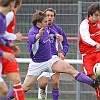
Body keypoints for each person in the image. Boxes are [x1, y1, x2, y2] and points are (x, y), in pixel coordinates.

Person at [7, 10, 100, 100]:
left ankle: (93, 83)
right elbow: (31, 39)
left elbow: (50, 29)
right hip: (37, 64)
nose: (47, 22)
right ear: (38, 23)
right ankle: (5, 98)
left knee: (70, 69)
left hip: (50, 60)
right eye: (45, 21)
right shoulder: (33, 31)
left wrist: (56, 34)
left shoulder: (46, 27)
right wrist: (38, 36)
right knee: (25, 87)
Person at [37, 8, 69, 100]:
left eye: (51, 16)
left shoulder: (58, 29)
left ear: (54, 18)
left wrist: (63, 52)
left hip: (54, 59)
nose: (49, 17)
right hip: (42, 59)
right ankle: (42, 90)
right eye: (47, 15)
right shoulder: (39, 28)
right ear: (44, 17)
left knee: (55, 82)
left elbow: (65, 43)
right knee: (43, 83)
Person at [0, 0, 25, 100]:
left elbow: (2, 35)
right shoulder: (8, 15)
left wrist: (9, 45)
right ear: (13, 4)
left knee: (6, 88)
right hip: (3, 53)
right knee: (4, 89)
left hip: (5, 52)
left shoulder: (3, 17)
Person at [79, 3, 100, 100]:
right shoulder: (84, 24)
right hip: (87, 55)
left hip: (98, 53)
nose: (98, 17)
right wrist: (95, 43)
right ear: (90, 14)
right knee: (95, 81)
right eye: (96, 15)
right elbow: (85, 37)